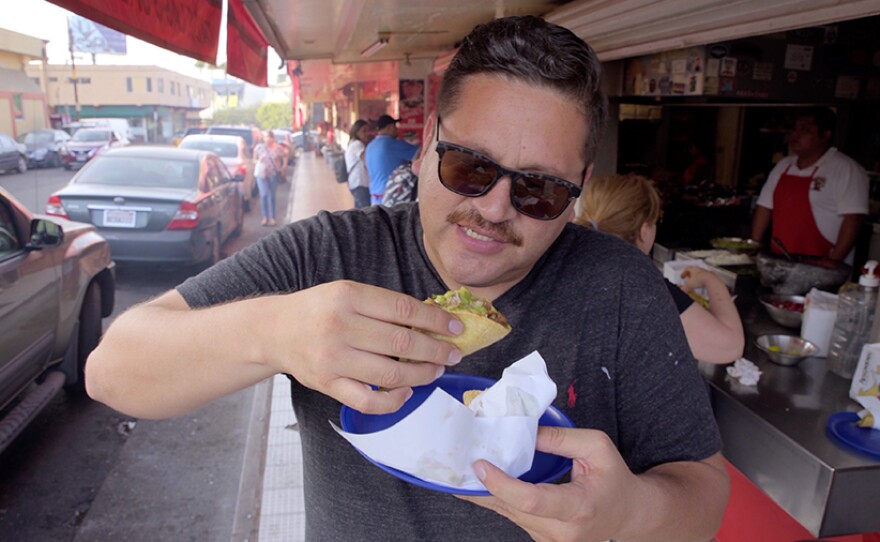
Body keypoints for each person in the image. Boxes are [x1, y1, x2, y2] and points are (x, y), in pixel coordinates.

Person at [86, 16, 728, 542]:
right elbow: (112, 370)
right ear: (426, 146)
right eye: (470, 167)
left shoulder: (622, 286)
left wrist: (632, 513)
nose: (495, 208)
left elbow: (703, 487)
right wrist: (274, 330)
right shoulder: (328, 255)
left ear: (580, 189)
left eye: (539, 188)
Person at [576, 173, 744, 365]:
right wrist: (711, 280)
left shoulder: (568, 270)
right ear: (644, 231)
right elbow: (729, 348)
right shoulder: (644, 289)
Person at [751, 107, 869, 264]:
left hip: (823, 267)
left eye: (804, 129)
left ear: (825, 135)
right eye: (794, 129)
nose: (795, 135)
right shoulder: (783, 166)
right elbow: (764, 207)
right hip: (781, 262)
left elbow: (853, 219)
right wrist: (754, 245)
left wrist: (834, 260)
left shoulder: (846, 169)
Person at [365, 114, 419, 205]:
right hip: (391, 198)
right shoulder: (392, 144)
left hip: (374, 199)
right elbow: (420, 154)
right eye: (395, 126)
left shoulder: (370, 146)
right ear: (390, 127)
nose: (397, 130)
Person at [253, 131, 283, 226]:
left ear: (273, 138)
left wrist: (282, 165)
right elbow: (254, 159)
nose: (268, 139)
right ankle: (265, 217)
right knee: (264, 195)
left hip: (273, 174)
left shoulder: (278, 148)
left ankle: (272, 217)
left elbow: (283, 158)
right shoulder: (259, 148)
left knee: (272, 196)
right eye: (266, 137)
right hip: (261, 174)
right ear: (263, 138)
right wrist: (259, 160)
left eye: (270, 137)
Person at [344, 119, 372, 209]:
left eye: (368, 130)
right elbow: (367, 161)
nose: (367, 133)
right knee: (365, 212)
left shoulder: (352, 143)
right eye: (364, 131)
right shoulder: (358, 144)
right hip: (360, 183)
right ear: (356, 132)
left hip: (356, 183)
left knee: (359, 212)